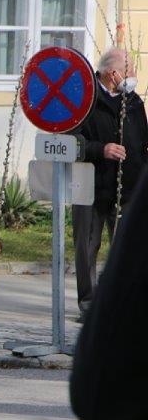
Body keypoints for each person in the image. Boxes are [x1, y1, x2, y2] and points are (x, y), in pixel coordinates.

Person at [71, 168, 148, 420]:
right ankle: (86, 299)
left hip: (125, 190)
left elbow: (101, 400)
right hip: (95, 187)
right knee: (87, 246)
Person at [70, 47, 146, 322]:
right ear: (113, 74)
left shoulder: (133, 102)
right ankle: (89, 305)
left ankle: (118, 304)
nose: (134, 76)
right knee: (87, 246)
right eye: (131, 70)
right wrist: (101, 149)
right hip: (90, 186)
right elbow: (72, 141)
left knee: (125, 249)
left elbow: (142, 143)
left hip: (127, 188)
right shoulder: (84, 99)